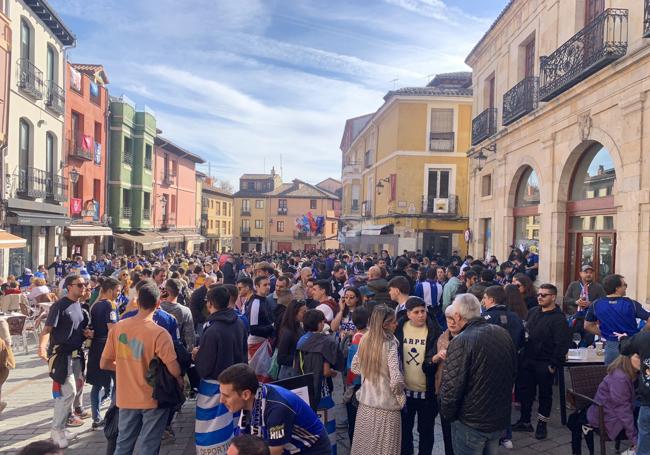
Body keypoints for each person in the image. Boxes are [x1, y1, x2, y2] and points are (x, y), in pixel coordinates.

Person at [100, 281, 182, 455]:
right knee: (149, 446)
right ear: (158, 304)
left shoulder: (118, 328)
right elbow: (174, 369)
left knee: (123, 444)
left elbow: (105, 363)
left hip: (126, 397)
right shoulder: (159, 333)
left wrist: (124, 367)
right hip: (153, 398)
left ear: (137, 302)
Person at [439, 294, 517, 454]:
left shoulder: (461, 340)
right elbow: (513, 372)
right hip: (497, 418)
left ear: (458, 316)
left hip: (471, 422)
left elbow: (452, 387)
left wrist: (447, 414)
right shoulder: (502, 333)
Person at [218, 363, 332, 454]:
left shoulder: (277, 410)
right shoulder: (254, 395)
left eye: (226, 396)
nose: (221, 400)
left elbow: (274, 452)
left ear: (246, 394)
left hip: (312, 450)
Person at [38, 274, 91, 448]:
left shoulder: (81, 306)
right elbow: (46, 330)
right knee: (68, 392)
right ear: (69, 287)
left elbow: (78, 328)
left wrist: (86, 334)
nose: (83, 288)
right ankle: (56, 429)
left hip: (77, 355)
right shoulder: (59, 306)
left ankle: (63, 424)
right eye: (80, 285)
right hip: (61, 355)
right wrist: (41, 348)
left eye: (85, 285)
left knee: (75, 391)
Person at [193, 286, 248, 454]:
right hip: (236, 383)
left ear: (210, 303)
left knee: (210, 434)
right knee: (232, 426)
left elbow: (205, 366)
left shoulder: (212, 329)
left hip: (214, 388)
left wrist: (197, 355)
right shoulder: (238, 321)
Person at [513, 283, 570, 440]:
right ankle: (525, 421)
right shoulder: (533, 312)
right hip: (528, 359)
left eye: (544, 295)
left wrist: (553, 364)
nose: (540, 297)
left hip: (545, 363)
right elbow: (525, 330)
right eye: (539, 294)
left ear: (553, 297)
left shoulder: (559, 319)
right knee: (526, 392)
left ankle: (541, 424)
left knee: (545, 394)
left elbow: (562, 343)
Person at [350, 305, 405, 455]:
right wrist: (400, 398)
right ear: (385, 325)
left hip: (366, 403)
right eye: (393, 322)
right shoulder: (390, 344)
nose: (396, 324)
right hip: (387, 406)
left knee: (364, 448)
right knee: (385, 449)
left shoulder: (365, 339)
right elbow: (396, 379)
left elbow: (354, 368)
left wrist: (370, 371)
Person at [395, 297, 442, 455]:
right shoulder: (399, 329)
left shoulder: (434, 330)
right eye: (416, 312)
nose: (421, 315)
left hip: (427, 392)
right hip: (405, 392)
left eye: (423, 311)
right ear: (408, 314)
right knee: (405, 432)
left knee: (426, 433)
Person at [570, 354, 639, 455]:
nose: (644, 359)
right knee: (645, 427)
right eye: (638, 356)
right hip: (607, 420)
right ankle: (634, 450)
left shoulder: (625, 372)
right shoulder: (620, 378)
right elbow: (623, 411)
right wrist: (634, 439)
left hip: (609, 412)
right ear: (628, 357)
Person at [585, 274, 650, 364]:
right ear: (617, 288)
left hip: (611, 345)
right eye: (624, 285)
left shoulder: (596, 304)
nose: (626, 287)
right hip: (631, 344)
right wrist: (640, 334)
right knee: (633, 374)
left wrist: (605, 334)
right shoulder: (631, 304)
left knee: (612, 375)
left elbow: (587, 326)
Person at [86, 277, 121, 429]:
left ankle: (96, 416)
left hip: (95, 347)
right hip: (107, 346)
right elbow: (112, 328)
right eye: (117, 291)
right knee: (116, 383)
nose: (118, 294)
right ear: (110, 290)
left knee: (97, 384)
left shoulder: (95, 305)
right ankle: (112, 416)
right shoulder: (110, 305)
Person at [433, 305, 461, 455]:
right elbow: (433, 364)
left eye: (456, 319)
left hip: (461, 394)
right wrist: (436, 357)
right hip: (443, 392)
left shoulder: (468, 338)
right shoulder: (442, 337)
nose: (452, 322)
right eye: (449, 319)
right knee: (447, 434)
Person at [620, 330, 650, 453]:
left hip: (648, 401)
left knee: (644, 439)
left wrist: (623, 338)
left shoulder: (644, 338)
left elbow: (624, 348)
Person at [343, 307, 369, 445]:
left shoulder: (357, 338)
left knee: (354, 421)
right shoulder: (369, 336)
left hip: (357, 385)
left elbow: (353, 368)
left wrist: (350, 388)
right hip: (365, 383)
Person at [564, 265, 606, 346]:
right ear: (580, 274)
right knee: (568, 340)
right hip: (574, 317)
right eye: (586, 272)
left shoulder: (598, 287)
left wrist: (591, 304)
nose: (588, 274)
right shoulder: (574, 285)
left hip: (589, 320)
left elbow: (603, 302)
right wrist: (576, 302)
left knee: (587, 342)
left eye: (591, 273)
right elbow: (566, 299)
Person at [246, 276, 275, 382]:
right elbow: (253, 329)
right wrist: (271, 327)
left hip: (264, 343)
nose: (268, 287)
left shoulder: (265, 300)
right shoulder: (255, 303)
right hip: (257, 344)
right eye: (264, 285)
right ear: (257, 287)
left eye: (269, 284)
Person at [160, 278, 195, 351]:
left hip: (158, 348)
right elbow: (190, 336)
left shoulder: (157, 308)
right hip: (176, 350)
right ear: (179, 292)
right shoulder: (185, 311)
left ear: (166, 290)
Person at [276, 300, 307, 379]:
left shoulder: (298, 327)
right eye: (303, 312)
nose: (305, 314)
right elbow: (281, 358)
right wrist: (299, 359)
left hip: (296, 371)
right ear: (295, 313)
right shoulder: (287, 332)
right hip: (289, 374)